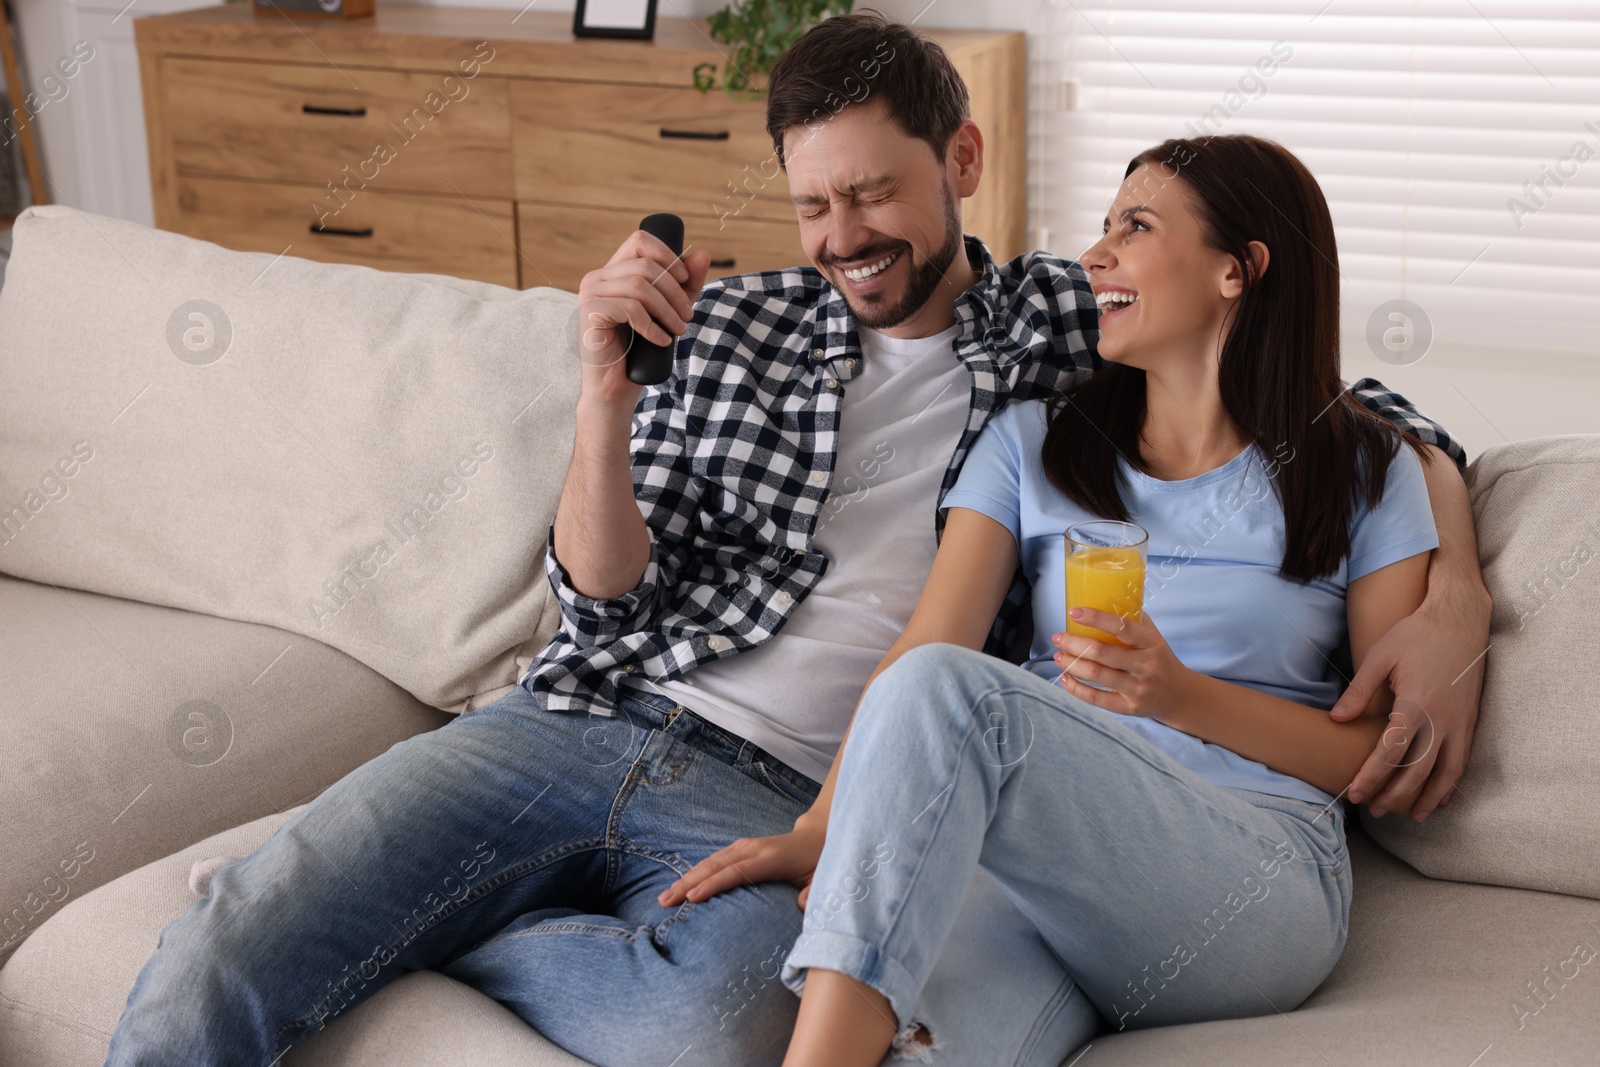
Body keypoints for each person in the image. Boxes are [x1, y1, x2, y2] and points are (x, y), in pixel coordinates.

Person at [104, 14, 1488, 1067]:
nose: (844, 238)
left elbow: (1323, 395)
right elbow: (599, 601)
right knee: (235, 944)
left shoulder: (1066, 334)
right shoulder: (742, 329)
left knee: (720, 1024)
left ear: (962, 161)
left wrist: (1459, 591)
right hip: (590, 714)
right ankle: (360, 893)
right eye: (813, 204)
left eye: (875, 195)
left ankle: (446, 927)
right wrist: (599, 392)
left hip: (793, 786)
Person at [664, 132, 1458, 1065]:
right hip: (1046, 869)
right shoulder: (1034, 442)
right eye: (1105, 225)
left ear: (1238, 270)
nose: (1097, 255)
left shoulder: (1361, 469)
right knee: (922, 1047)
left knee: (949, 687)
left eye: (1138, 226)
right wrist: (824, 827)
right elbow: (925, 641)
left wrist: (1178, 697)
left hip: (1251, 877)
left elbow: (1373, 760)